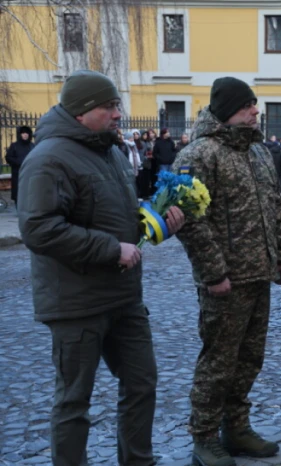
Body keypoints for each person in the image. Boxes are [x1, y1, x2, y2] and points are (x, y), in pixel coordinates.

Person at [17, 69, 185, 465]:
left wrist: (156, 224)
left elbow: (116, 216)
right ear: (80, 111)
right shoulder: (48, 158)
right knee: (74, 400)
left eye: (116, 104)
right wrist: (112, 249)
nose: (117, 113)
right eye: (108, 106)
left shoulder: (109, 151)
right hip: (76, 301)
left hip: (123, 296)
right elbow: (39, 229)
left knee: (142, 382)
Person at [172, 77, 281, 466]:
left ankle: (237, 428)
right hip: (225, 281)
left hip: (259, 274)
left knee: (249, 359)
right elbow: (191, 222)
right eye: (247, 106)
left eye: (255, 104)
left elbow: (276, 206)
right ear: (227, 111)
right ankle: (205, 436)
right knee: (218, 363)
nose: (255, 111)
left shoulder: (258, 152)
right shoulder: (198, 155)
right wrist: (213, 274)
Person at [5, 125, 34, 207]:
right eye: (23, 133)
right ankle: (19, 207)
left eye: (27, 133)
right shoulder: (14, 145)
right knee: (18, 191)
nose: (25, 135)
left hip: (29, 172)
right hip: (18, 172)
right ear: (20, 134)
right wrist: (18, 162)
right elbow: (8, 157)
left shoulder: (32, 146)